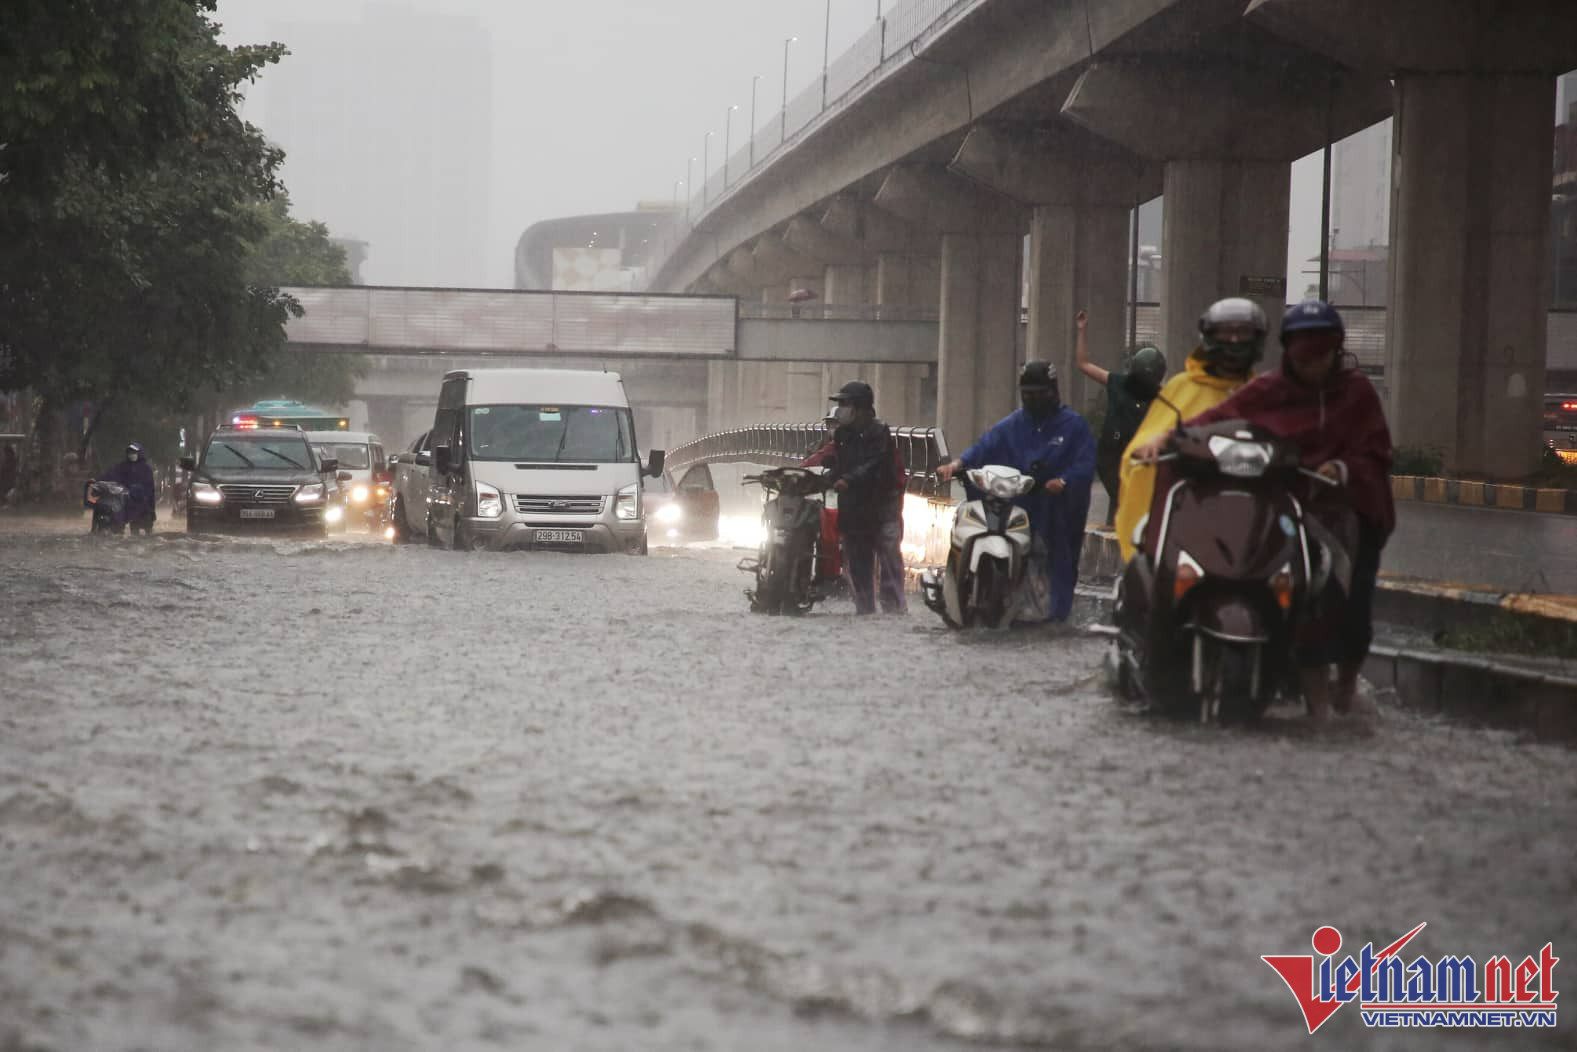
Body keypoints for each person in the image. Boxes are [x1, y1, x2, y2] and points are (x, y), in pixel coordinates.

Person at [1132, 300, 1394, 720]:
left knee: (1349, 601)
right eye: (1304, 357)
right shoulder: (1268, 391)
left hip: (1346, 508)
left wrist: (1343, 468)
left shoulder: (1357, 393)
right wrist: (1165, 441)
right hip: (1294, 505)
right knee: (1305, 601)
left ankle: (1344, 687)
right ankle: (1317, 707)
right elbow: (1215, 419)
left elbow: (1376, 450)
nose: (1313, 366)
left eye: (1322, 355)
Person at [936, 360, 1096, 622]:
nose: (1032, 399)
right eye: (1027, 394)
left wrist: (1064, 482)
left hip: (1057, 510)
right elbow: (984, 447)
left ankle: (1055, 619)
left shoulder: (1073, 426)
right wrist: (957, 465)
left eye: (1038, 393)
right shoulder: (1013, 424)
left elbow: (1085, 463)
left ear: (1053, 391)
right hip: (1018, 505)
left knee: (1059, 565)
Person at [1114, 297, 1264, 562]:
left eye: (1243, 333)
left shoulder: (1264, 392)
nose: (1234, 341)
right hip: (1190, 508)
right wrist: (1155, 446)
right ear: (1210, 337)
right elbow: (1147, 441)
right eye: (1226, 333)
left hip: (1252, 513)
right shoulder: (1181, 387)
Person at [1073, 309, 1167, 526]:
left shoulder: (1161, 397)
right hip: (1110, 455)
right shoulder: (1118, 383)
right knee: (1121, 495)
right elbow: (1083, 364)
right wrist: (1081, 331)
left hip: (1137, 458)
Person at [822, 381, 904, 615]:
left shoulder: (879, 433)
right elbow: (839, 464)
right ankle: (864, 609)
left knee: (888, 555)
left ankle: (894, 611)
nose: (840, 409)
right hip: (853, 508)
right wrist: (828, 477)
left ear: (859, 408)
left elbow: (874, 463)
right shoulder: (842, 435)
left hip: (881, 505)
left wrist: (849, 479)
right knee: (856, 559)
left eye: (844, 404)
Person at [98, 442, 157, 529]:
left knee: (140, 528)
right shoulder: (122, 466)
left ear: (139, 453)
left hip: (142, 503)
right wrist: (97, 480)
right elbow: (110, 474)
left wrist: (151, 509)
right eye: (130, 453)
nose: (132, 455)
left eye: (134, 453)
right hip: (124, 500)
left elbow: (150, 490)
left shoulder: (146, 469)